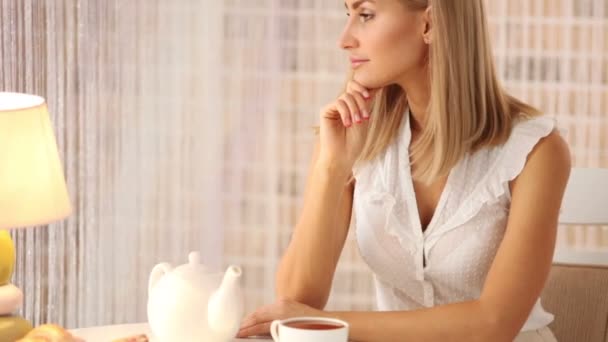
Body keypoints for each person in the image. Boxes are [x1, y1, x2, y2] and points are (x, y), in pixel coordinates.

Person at [237, 1, 571, 341]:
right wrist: (331, 168)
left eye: (365, 15)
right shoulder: (353, 135)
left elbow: (493, 324)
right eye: (347, 15)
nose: (345, 39)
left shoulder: (536, 151)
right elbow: (295, 303)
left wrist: (333, 324)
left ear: (429, 25)